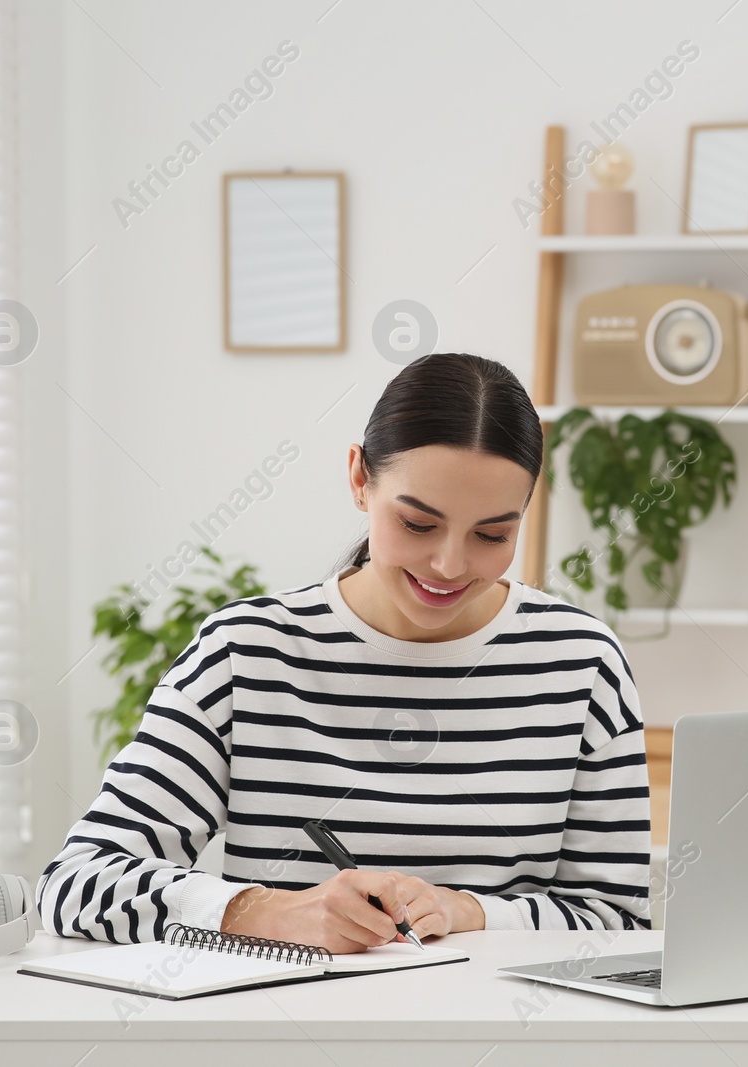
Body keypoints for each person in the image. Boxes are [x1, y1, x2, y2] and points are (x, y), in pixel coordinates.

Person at [37, 353, 651, 951]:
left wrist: (468, 910)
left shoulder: (582, 663)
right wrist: (268, 910)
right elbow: (73, 885)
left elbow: (618, 918)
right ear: (359, 478)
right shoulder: (245, 654)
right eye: (417, 524)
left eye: (492, 534)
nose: (450, 566)